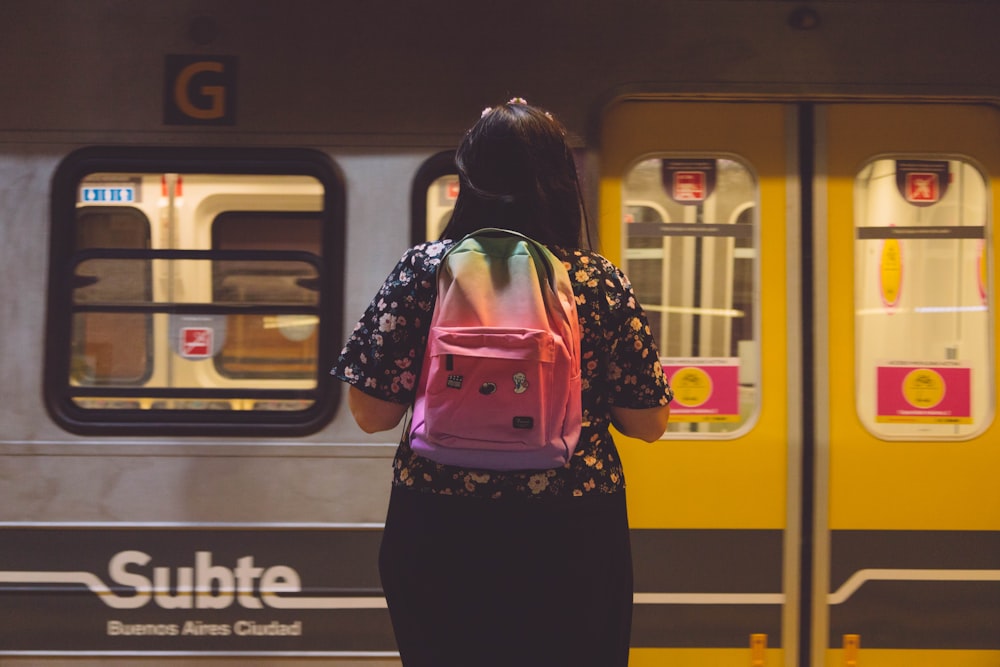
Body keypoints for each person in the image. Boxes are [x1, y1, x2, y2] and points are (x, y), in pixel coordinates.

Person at [331, 98, 673, 667]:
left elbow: (371, 413)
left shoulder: (423, 271)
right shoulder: (597, 281)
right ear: (563, 182)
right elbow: (649, 423)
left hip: (440, 527)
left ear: (467, 181)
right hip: (572, 533)